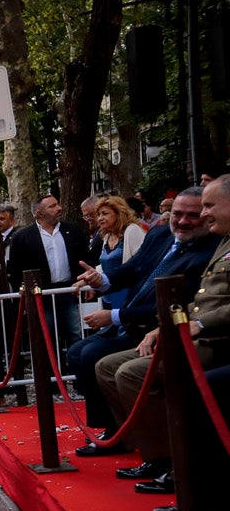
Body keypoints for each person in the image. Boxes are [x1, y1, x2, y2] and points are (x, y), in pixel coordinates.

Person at [94, 175, 230, 493]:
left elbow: (213, 308)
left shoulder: (213, 240)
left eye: (209, 206)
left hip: (216, 341)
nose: (204, 214)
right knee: (106, 365)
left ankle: (178, 464)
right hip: (188, 331)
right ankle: (158, 455)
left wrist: (199, 324)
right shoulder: (221, 239)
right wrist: (165, 327)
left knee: (132, 373)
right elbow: (202, 298)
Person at [68, 187, 216, 458]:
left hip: (157, 326)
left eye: (192, 215)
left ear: (207, 217)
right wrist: (103, 280)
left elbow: (177, 305)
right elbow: (134, 269)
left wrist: (115, 315)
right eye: (178, 214)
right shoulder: (160, 234)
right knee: (78, 352)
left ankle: (159, 451)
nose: (182, 221)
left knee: (95, 356)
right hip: (133, 318)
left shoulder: (208, 251)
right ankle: (116, 430)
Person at [7, 194, 89, 352]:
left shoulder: (73, 231)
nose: (59, 208)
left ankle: (77, 372)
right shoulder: (21, 237)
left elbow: (86, 259)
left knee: (76, 335)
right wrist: (25, 295)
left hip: (70, 291)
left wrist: (86, 282)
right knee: (46, 338)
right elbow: (16, 271)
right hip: (41, 295)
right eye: (52, 206)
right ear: (39, 213)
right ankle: (53, 374)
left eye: (58, 204)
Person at [92, 195, 146, 310]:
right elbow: (106, 265)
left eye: (105, 214)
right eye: (99, 214)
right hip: (108, 295)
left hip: (128, 293)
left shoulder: (133, 230)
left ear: (118, 213)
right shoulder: (107, 236)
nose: (100, 218)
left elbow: (142, 262)